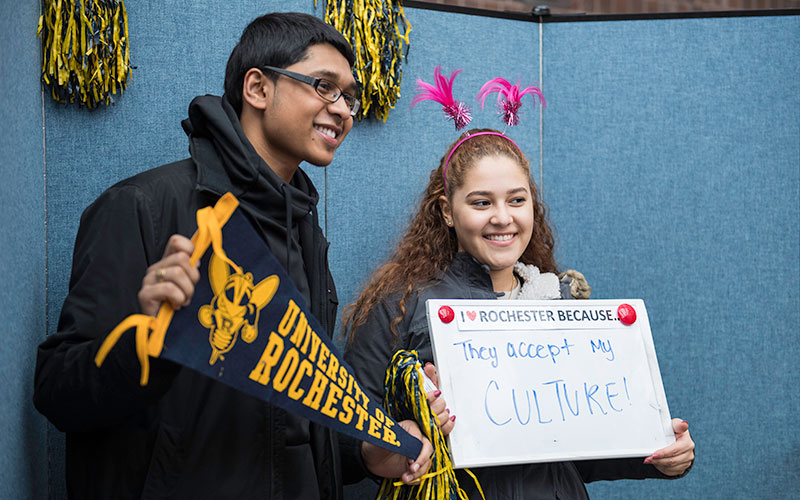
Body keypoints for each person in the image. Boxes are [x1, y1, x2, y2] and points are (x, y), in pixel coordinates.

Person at [34, 12, 432, 499]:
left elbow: (300, 411)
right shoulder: (145, 207)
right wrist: (147, 343)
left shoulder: (306, 231)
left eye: (349, 96)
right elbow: (59, 395)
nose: (344, 109)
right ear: (258, 89)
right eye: (324, 86)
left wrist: (370, 452)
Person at [343, 128, 695, 499]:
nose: (502, 217)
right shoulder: (402, 304)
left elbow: (585, 447)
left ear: (532, 206)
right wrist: (397, 444)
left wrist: (662, 452)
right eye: (481, 203)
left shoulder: (560, 304)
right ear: (447, 211)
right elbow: (344, 438)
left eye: (516, 200)